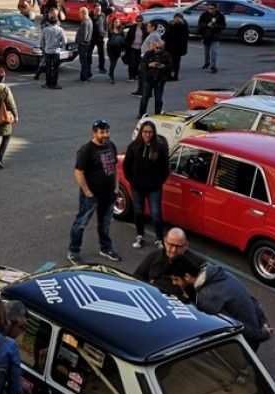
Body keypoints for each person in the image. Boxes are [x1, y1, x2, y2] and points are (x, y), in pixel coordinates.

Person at [168, 255, 273, 349]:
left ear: (187, 276)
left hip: (245, 343)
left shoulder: (205, 297)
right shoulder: (222, 274)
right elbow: (250, 300)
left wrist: (262, 335)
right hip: (256, 329)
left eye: (176, 279)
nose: (174, 283)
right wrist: (264, 323)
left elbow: (232, 325)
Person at [68, 120, 121, 263]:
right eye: (102, 132)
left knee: (105, 223)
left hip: (108, 194)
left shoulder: (111, 145)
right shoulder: (86, 150)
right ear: (95, 132)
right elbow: (79, 172)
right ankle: (73, 251)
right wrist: (88, 193)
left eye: (107, 131)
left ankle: (106, 248)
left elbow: (114, 168)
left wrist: (116, 188)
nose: (105, 135)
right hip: (91, 195)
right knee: (81, 223)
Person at [122, 121, 169, 248]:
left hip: (154, 188)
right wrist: (132, 180)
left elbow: (165, 168)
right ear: (141, 132)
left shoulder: (160, 147)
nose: (147, 134)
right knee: (138, 212)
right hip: (137, 187)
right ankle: (140, 236)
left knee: (156, 214)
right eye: (145, 131)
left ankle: (159, 239)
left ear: (154, 133)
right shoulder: (133, 147)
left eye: (150, 132)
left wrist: (159, 181)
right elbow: (126, 165)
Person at [133, 227, 204, 298]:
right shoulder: (154, 255)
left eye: (178, 246)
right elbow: (137, 277)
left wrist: (186, 286)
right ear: (165, 242)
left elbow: (201, 296)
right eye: (171, 245)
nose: (173, 250)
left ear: (186, 245)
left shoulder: (196, 264)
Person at [138, 37, 172, 118]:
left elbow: (170, 65)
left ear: (163, 47)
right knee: (145, 97)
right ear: (154, 46)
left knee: (158, 98)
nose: (158, 49)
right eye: (157, 47)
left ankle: (157, 114)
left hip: (160, 80)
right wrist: (150, 64)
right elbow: (142, 65)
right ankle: (141, 114)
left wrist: (164, 66)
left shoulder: (166, 54)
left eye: (160, 48)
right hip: (149, 78)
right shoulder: (148, 54)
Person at [36, 10, 66, 89]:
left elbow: (42, 41)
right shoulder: (60, 30)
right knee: (56, 69)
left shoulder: (45, 30)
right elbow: (64, 41)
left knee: (48, 68)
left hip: (48, 51)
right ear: (56, 22)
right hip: (56, 52)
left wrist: (43, 47)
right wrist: (60, 46)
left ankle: (48, 84)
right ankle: (55, 84)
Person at [197, 1, 226, 74]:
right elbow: (200, 24)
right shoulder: (204, 15)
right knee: (207, 51)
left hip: (215, 36)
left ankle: (213, 66)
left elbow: (223, 26)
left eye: (212, 8)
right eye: (209, 8)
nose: (210, 10)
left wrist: (216, 26)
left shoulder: (220, 15)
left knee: (213, 52)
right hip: (206, 36)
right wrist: (207, 25)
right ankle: (207, 62)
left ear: (216, 9)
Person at [124, 17, 146, 94]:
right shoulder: (133, 28)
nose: (139, 22)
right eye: (137, 21)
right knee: (132, 62)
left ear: (142, 21)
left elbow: (146, 38)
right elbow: (128, 38)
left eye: (140, 21)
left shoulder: (145, 28)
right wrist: (126, 48)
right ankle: (131, 77)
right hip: (133, 47)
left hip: (141, 49)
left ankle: (136, 75)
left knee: (138, 62)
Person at [165, 14, 189, 81]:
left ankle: (170, 76)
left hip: (171, 48)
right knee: (176, 63)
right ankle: (175, 76)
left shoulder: (172, 26)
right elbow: (185, 39)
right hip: (178, 49)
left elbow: (166, 36)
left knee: (170, 62)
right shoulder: (184, 27)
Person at [74, 7, 93, 82]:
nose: (79, 15)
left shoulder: (84, 23)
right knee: (86, 61)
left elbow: (84, 36)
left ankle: (84, 77)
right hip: (88, 44)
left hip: (83, 45)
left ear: (84, 13)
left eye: (80, 13)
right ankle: (89, 74)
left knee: (83, 62)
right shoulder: (90, 21)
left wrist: (79, 43)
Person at [88, 3, 107, 74]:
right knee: (89, 53)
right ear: (94, 9)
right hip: (91, 38)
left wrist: (104, 33)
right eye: (97, 9)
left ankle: (102, 67)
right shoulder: (89, 16)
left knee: (101, 53)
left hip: (100, 38)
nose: (99, 11)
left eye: (100, 9)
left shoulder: (102, 15)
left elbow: (105, 25)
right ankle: (88, 67)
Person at [106, 16, 126, 84]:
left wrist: (123, 50)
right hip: (110, 48)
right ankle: (111, 76)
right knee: (113, 62)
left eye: (118, 22)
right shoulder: (110, 29)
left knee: (114, 63)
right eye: (115, 22)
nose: (117, 23)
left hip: (118, 49)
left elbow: (123, 40)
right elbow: (110, 38)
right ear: (113, 22)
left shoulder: (121, 30)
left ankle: (110, 73)